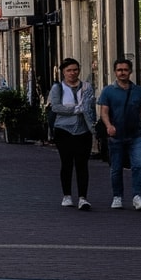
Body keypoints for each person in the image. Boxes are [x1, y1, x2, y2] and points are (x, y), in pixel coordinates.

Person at [94, 58, 141, 211]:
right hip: (116, 135)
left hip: (135, 134)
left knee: (139, 165)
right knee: (116, 167)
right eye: (119, 70)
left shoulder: (138, 91)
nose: (122, 73)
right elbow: (103, 111)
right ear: (115, 72)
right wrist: (109, 126)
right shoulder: (108, 91)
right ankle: (117, 196)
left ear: (130, 71)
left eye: (125, 70)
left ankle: (138, 196)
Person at [46, 58, 95, 210]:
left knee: (82, 164)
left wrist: (92, 125)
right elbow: (56, 107)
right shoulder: (58, 88)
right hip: (64, 130)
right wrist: (74, 109)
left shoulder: (87, 87)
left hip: (83, 130)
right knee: (66, 163)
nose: (72, 73)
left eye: (75, 69)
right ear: (63, 72)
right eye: (69, 70)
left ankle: (83, 197)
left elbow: (90, 107)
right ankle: (67, 195)